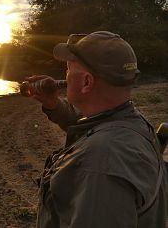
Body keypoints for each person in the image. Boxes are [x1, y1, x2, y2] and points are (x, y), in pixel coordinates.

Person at [26, 31, 168, 228]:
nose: (64, 76)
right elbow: (89, 124)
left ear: (86, 82)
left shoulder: (100, 162)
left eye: (68, 69)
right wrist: (53, 104)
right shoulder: (132, 122)